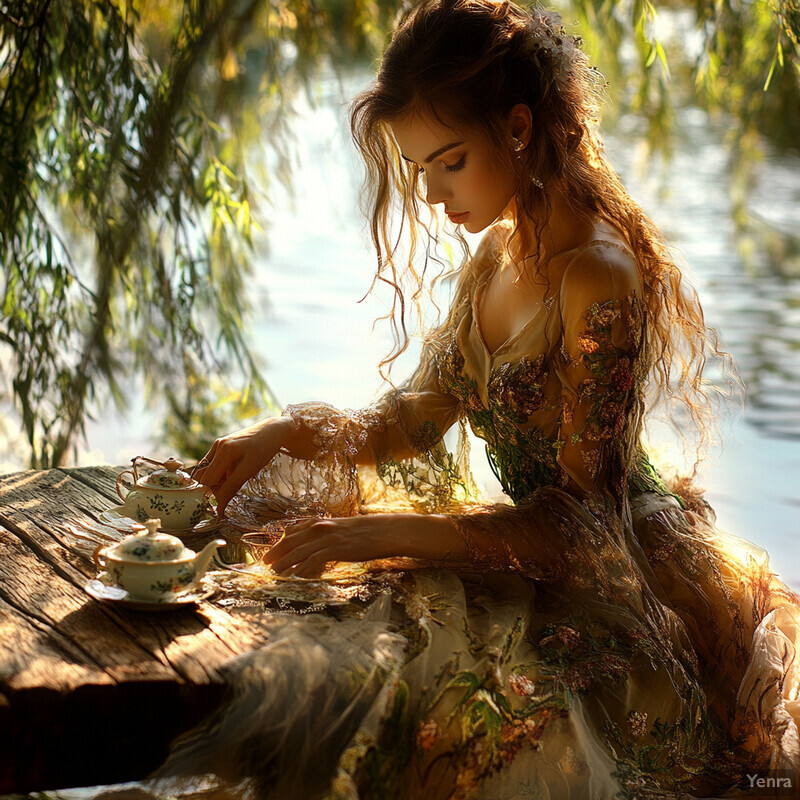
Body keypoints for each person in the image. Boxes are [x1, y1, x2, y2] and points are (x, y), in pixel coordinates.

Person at [178, 1, 800, 797]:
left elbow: (580, 521)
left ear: (517, 127)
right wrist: (281, 433)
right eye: (419, 170)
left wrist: (393, 532)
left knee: (436, 714)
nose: (434, 194)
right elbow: (411, 422)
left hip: (613, 571)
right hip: (521, 547)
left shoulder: (596, 274)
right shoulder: (497, 254)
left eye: (449, 161)